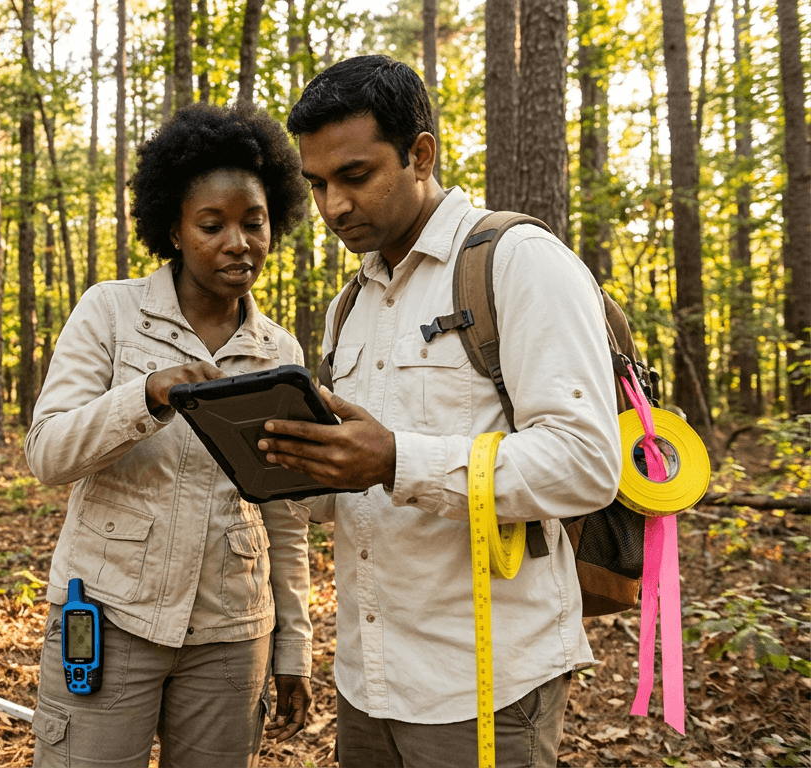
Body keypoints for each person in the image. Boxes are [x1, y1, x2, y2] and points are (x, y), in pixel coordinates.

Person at [258, 55, 622, 767]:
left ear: (421, 153)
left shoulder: (518, 262)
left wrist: (397, 460)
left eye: (355, 176)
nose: (332, 206)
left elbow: (586, 464)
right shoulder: (350, 305)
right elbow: (355, 492)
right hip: (367, 680)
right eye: (319, 184)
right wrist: (302, 468)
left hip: (486, 682)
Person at [24, 102, 315, 768]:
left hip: (232, 632)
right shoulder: (112, 312)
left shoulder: (279, 352)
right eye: (212, 225)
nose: (237, 243)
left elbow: (286, 513)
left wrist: (294, 647)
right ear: (175, 231)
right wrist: (147, 395)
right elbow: (48, 453)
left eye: (254, 222)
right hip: (109, 618)